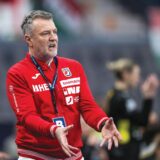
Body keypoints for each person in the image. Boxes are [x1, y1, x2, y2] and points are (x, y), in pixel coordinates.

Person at [6, 10, 121, 160]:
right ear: (29, 39)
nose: (53, 37)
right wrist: (54, 130)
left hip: (73, 155)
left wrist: (103, 122)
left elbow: (87, 106)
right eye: (45, 33)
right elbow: (27, 117)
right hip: (35, 155)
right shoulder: (17, 73)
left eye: (55, 32)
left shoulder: (74, 67)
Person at [105, 59, 159, 160]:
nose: (138, 79)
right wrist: (148, 97)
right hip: (123, 150)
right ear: (126, 74)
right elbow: (142, 121)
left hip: (125, 149)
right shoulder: (120, 98)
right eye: (136, 74)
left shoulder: (120, 95)